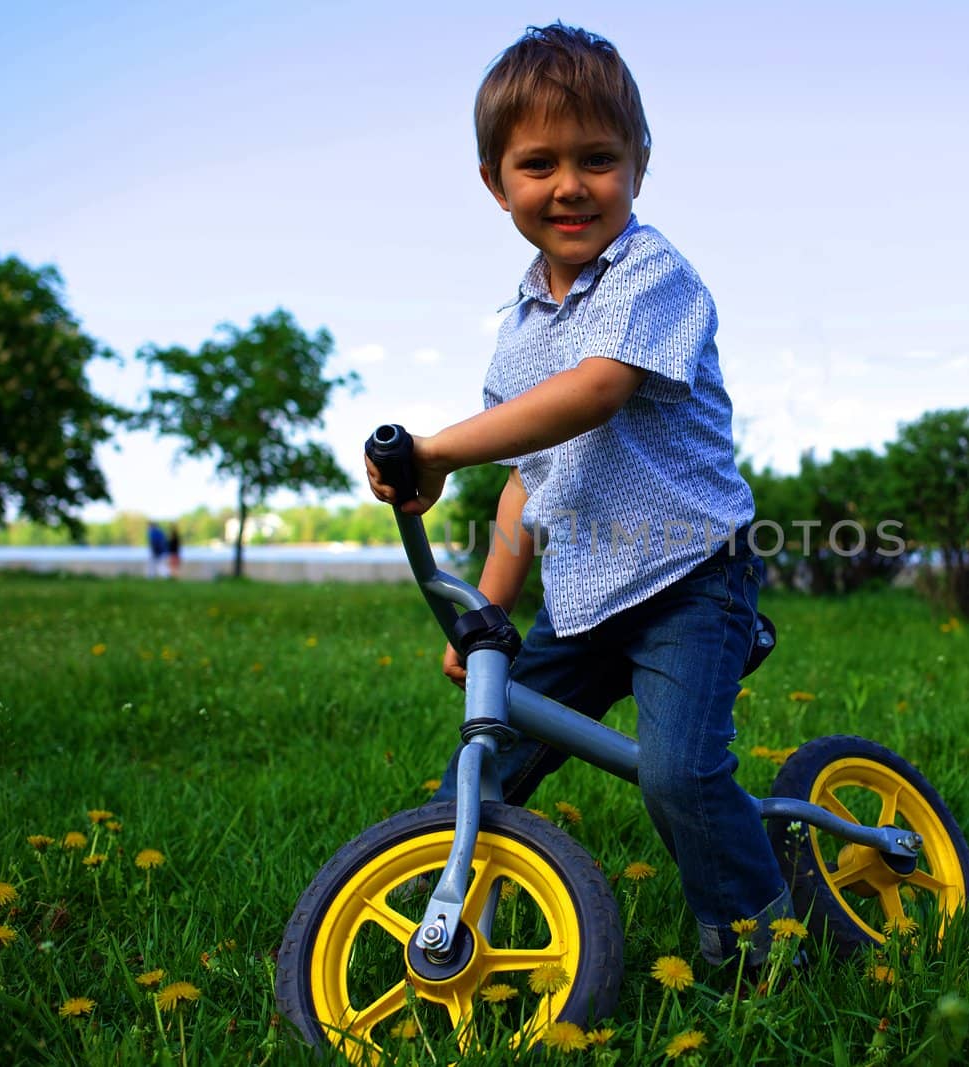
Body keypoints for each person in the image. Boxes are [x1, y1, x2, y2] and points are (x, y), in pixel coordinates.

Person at [365, 22, 791, 969]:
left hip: (691, 576)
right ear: (495, 182)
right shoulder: (516, 334)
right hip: (585, 596)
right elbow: (531, 481)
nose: (570, 185)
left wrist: (438, 449)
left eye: (599, 159)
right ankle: (461, 925)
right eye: (539, 164)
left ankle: (762, 942)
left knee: (680, 772)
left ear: (639, 163)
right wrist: (485, 612)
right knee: (487, 755)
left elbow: (597, 389)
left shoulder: (653, 273)